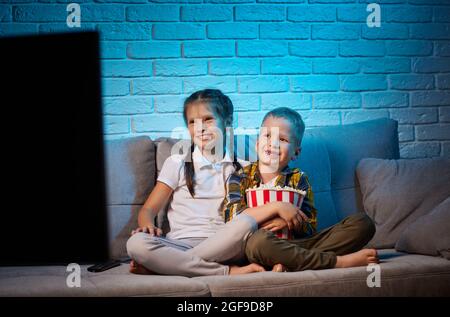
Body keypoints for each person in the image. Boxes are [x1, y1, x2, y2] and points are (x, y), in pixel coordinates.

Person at [126, 90, 300, 277]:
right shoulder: (177, 162)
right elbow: (148, 211)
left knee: (246, 222)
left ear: (227, 122)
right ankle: (226, 271)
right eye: (193, 122)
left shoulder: (244, 169)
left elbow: (256, 214)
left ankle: (166, 266)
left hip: (228, 244)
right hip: (180, 242)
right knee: (136, 244)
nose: (200, 128)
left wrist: (281, 213)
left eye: (208, 119)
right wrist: (147, 226)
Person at [223, 107, 379, 272]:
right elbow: (234, 218)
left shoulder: (299, 179)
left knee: (363, 223)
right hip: (260, 246)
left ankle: (290, 263)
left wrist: (289, 222)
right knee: (258, 242)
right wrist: (278, 207)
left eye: (282, 139)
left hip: (297, 244)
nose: (273, 143)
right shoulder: (239, 178)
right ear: (257, 143)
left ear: (295, 153)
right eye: (268, 135)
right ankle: (336, 262)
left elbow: (310, 225)